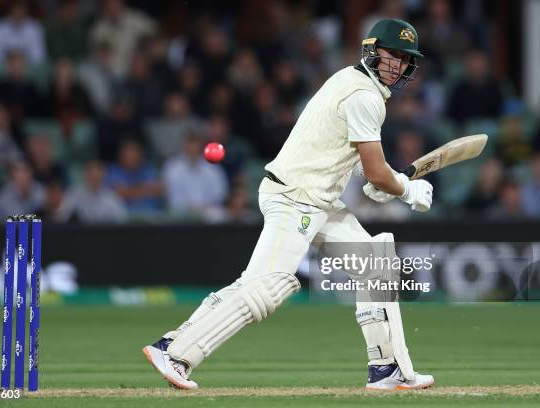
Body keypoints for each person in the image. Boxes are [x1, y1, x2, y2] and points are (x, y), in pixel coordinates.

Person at [143, 19, 435, 391]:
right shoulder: (364, 96)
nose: (395, 65)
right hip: (297, 197)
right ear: (372, 50)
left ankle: (387, 368)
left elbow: (350, 157)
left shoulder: (351, 81)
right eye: (390, 55)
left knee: (375, 267)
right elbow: (376, 171)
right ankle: (176, 352)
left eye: (404, 59)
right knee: (268, 286)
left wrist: (381, 182)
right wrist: (404, 190)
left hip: (319, 199)